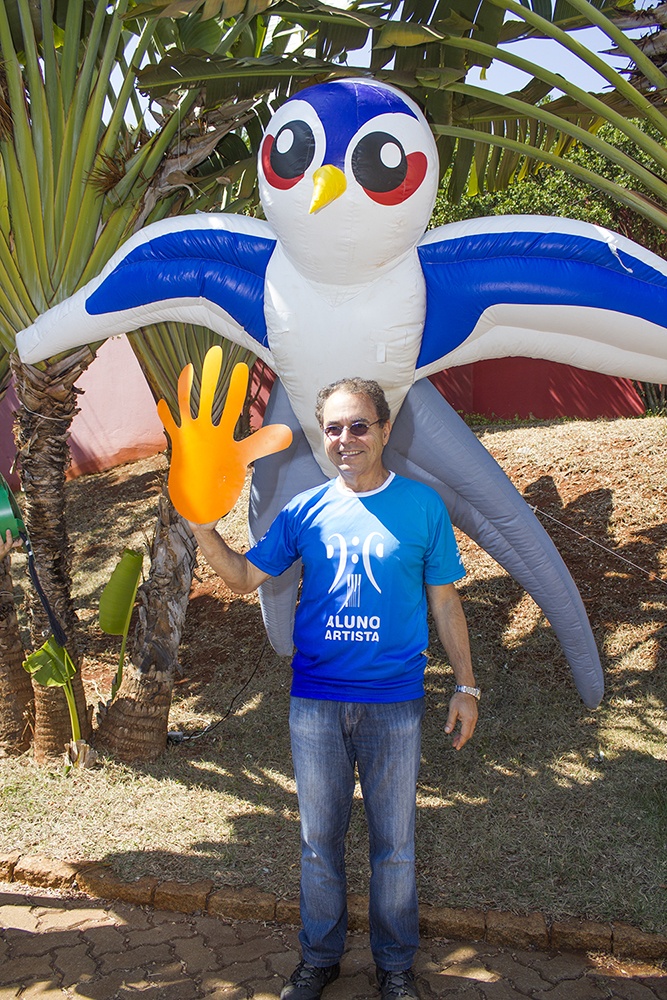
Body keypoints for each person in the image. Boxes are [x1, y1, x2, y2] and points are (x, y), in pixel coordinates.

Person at [189, 377, 479, 1000]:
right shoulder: (303, 510)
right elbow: (243, 577)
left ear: (383, 429)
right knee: (319, 842)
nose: (344, 439)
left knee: (394, 846)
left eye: (358, 426)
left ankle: (395, 968)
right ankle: (318, 961)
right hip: (315, 705)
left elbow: (446, 601)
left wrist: (467, 686)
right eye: (334, 428)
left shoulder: (423, 507)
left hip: (394, 706)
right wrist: (201, 528)